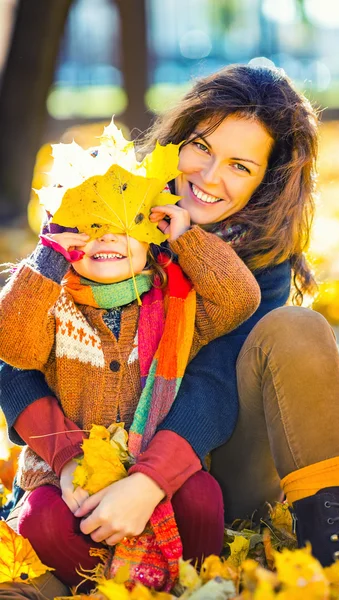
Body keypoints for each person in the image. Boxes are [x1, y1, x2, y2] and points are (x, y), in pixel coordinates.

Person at [0, 63, 339, 598]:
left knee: (298, 327)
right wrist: (69, 464)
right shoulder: (106, 221)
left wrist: (148, 482)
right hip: (88, 470)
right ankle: (81, 577)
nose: (210, 175)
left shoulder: (261, 259)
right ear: (177, 139)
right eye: (201, 146)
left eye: (240, 166)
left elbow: (216, 379)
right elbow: (16, 356)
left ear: (265, 179)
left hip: (211, 473)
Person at [0, 140, 261, 593]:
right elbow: (11, 345)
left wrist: (187, 236)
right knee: (40, 522)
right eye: (89, 225)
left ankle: (183, 583)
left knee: (202, 498)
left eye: (126, 225)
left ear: (153, 234)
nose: (107, 236)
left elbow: (241, 298)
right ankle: (107, 584)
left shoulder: (177, 305)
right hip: (71, 477)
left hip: (155, 469)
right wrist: (47, 259)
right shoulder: (50, 304)